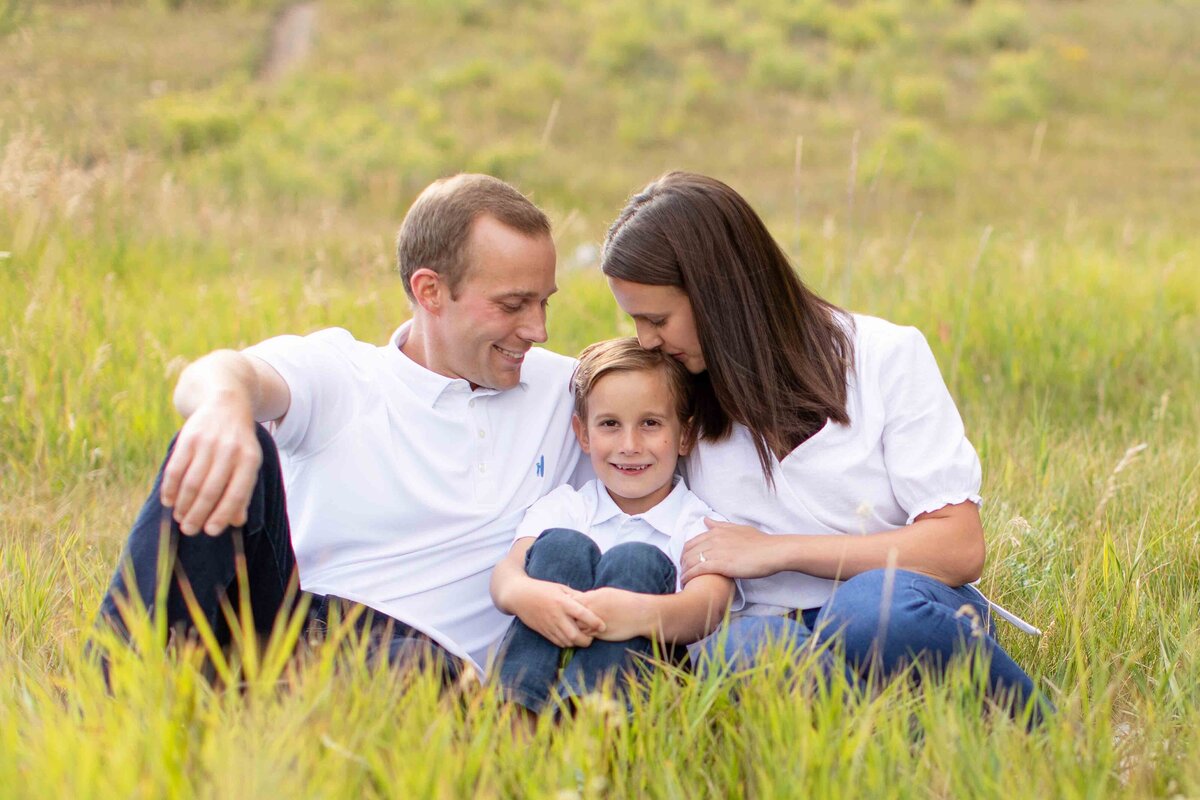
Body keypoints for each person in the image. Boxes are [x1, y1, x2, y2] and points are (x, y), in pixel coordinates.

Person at [96, 174, 592, 681]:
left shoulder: (571, 394)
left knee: (417, 666)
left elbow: (668, 418)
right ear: (431, 291)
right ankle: (110, 695)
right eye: (512, 305)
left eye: (544, 302)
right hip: (295, 622)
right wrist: (224, 408)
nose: (538, 329)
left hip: (426, 664)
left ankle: (238, 706)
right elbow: (217, 374)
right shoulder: (348, 373)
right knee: (222, 443)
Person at [598, 171, 1046, 721]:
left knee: (868, 612)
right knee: (743, 655)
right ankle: (900, 749)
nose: (645, 339)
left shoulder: (884, 356)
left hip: (903, 617)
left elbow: (957, 548)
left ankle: (1048, 737)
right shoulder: (671, 398)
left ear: (719, 295)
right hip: (768, 635)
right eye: (635, 320)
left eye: (657, 318)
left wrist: (777, 550)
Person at [490, 338, 737, 714]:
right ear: (583, 434)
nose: (630, 445)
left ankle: (592, 731)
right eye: (610, 424)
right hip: (555, 668)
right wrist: (525, 595)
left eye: (650, 424)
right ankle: (518, 721)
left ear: (685, 435)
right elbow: (507, 575)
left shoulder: (700, 524)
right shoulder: (565, 507)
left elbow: (706, 608)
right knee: (561, 547)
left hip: (651, 693)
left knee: (637, 561)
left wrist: (633, 613)